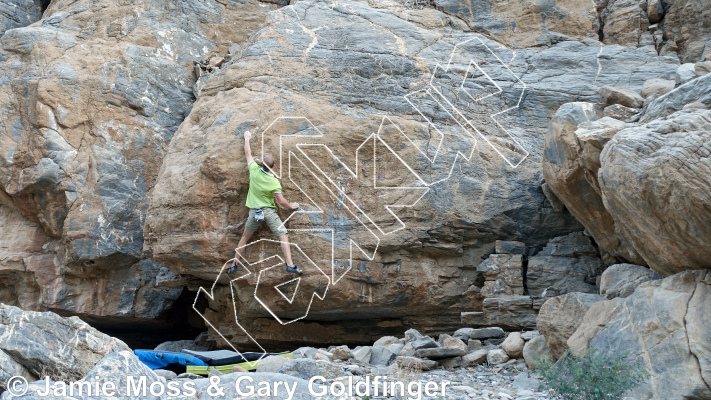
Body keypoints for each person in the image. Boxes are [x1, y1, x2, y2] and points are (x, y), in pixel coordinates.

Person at [228, 130, 302, 274]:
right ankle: (290, 265)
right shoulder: (273, 181)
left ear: (261, 163)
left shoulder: (254, 170)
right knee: (283, 235)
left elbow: (248, 154)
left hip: (254, 212)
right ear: (272, 167)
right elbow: (281, 201)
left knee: (244, 237)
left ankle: (233, 264)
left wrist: (247, 138)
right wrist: (291, 206)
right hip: (268, 212)